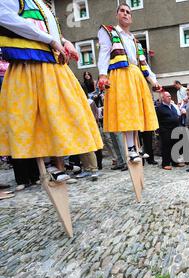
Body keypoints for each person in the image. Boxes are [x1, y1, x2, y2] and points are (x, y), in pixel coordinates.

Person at [0, 0, 103, 182]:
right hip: (29, 63)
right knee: (36, 117)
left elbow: (49, 30)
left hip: (52, 64)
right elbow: (6, 18)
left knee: (61, 114)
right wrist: (51, 40)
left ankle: (60, 165)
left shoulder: (41, 3)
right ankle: (52, 166)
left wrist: (64, 41)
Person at [97, 3, 160, 164]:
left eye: (128, 12)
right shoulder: (109, 32)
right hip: (120, 74)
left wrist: (154, 82)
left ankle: (138, 148)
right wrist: (103, 74)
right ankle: (131, 148)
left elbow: (144, 64)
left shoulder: (135, 40)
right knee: (128, 111)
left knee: (139, 111)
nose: (125, 14)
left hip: (136, 75)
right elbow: (104, 53)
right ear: (117, 14)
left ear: (131, 17)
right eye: (122, 11)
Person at [156, 92, 184, 170]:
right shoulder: (160, 108)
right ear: (163, 98)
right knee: (166, 147)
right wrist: (159, 130)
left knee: (174, 146)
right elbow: (157, 120)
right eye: (167, 96)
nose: (169, 97)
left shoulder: (172, 106)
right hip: (165, 130)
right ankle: (165, 164)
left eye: (170, 96)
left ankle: (175, 162)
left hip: (174, 129)